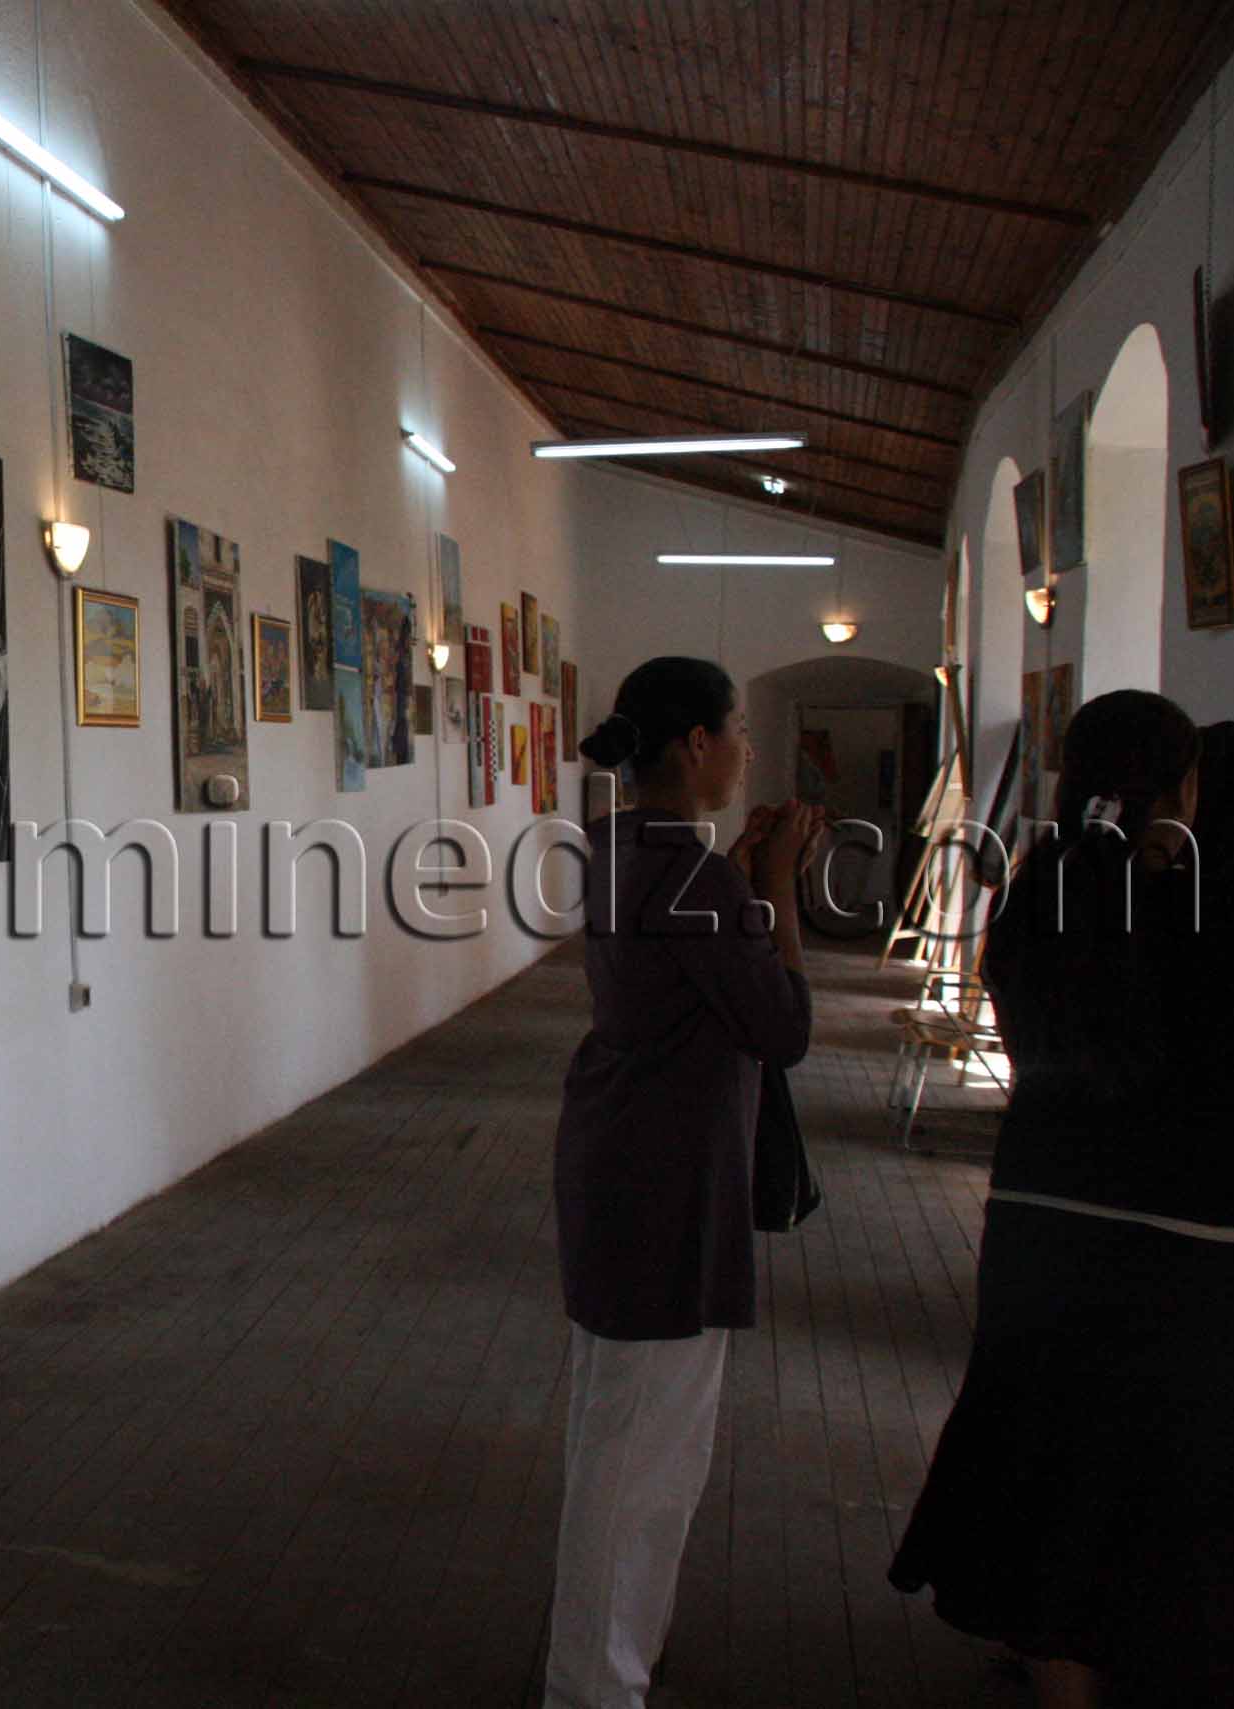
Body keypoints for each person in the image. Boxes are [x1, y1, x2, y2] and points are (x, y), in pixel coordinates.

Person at [887, 690, 1234, 1708]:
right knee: (1177, 1485)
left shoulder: (1039, 891)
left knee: (1054, 1469)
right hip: (1192, 1236)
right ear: (1184, 786)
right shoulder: (1224, 898)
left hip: (1043, 1217)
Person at [547, 656, 821, 1709]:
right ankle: (593, 1685)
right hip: (666, 1178)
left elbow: (696, 967)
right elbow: (782, 1026)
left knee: (620, 1437)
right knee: (641, 1462)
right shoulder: (695, 879)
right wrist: (778, 886)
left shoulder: (617, 845)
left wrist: (745, 880)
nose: (746, 749)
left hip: (622, 1157)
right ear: (696, 743)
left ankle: (612, 1658)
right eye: (737, 729)